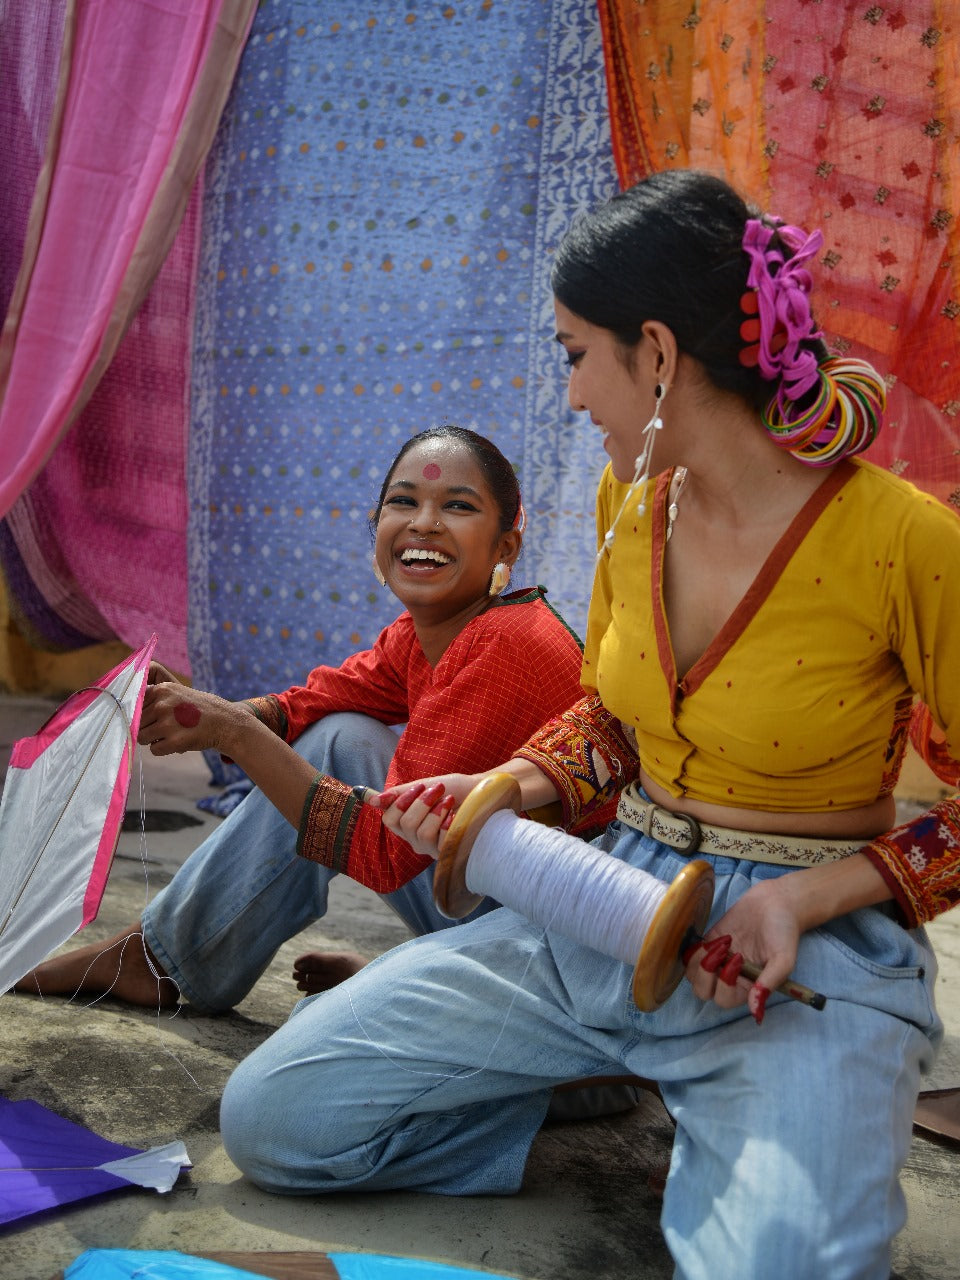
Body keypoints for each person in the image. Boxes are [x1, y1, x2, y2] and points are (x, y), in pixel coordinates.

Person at [215, 171, 960, 1280]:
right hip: (611, 902)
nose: (569, 395)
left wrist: (803, 898)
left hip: (806, 951)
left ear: (655, 354)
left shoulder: (906, 542)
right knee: (279, 1118)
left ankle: (753, 1120)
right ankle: (609, 1088)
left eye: (574, 354)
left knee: (779, 1265)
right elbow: (611, 719)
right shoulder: (633, 504)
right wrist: (509, 790)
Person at [18, 426, 600, 1012]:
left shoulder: (508, 645)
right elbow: (314, 702)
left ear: (506, 548)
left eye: (458, 506)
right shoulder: (426, 636)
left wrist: (234, 732)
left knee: (332, 750)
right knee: (344, 733)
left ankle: (163, 960)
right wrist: (198, 714)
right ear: (377, 528)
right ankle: (409, 965)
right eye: (404, 501)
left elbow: (382, 854)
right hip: (509, 924)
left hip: (566, 980)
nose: (424, 522)